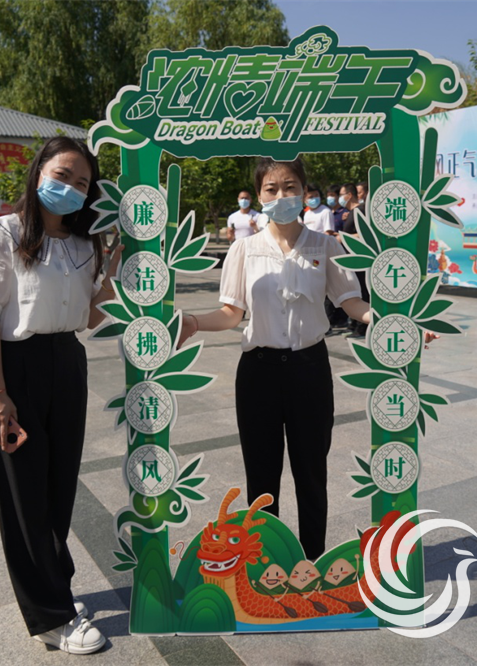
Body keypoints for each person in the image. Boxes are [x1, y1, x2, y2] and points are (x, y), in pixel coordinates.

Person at [0, 136, 122, 655]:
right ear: (38, 174)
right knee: (25, 495)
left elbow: (88, 316)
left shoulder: (84, 244)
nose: (70, 187)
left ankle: (56, 590)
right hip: (19, 368)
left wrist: (112, 272)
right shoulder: (3, 234)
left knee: (58, 488)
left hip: (67, 363)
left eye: (81, 182)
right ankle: (51, 619)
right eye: (62, 175)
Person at [178, 157, 371, 560]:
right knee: (262, 477)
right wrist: (193, 322)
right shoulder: (245, 249)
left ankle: (312, 562)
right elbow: (232, 313)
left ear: (304, 191)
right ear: (259, 195)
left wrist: (392, 322)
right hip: (259, 373)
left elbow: (351, 303)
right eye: (271, 188)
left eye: (290, 187)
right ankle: (266, 563)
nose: (281, 195)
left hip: (309, 369)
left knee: (311, 473)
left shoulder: (326, 246)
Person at [339, 183, 368, 338]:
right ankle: (356, 324)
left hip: (360, 258)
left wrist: (343, 238)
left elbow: (365, 233)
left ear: (349, 195)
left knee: (362, 292)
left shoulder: (360, 211)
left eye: (341, 194)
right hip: (351, 258)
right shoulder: (352, 212)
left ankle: (362, 327)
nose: (340, 197)